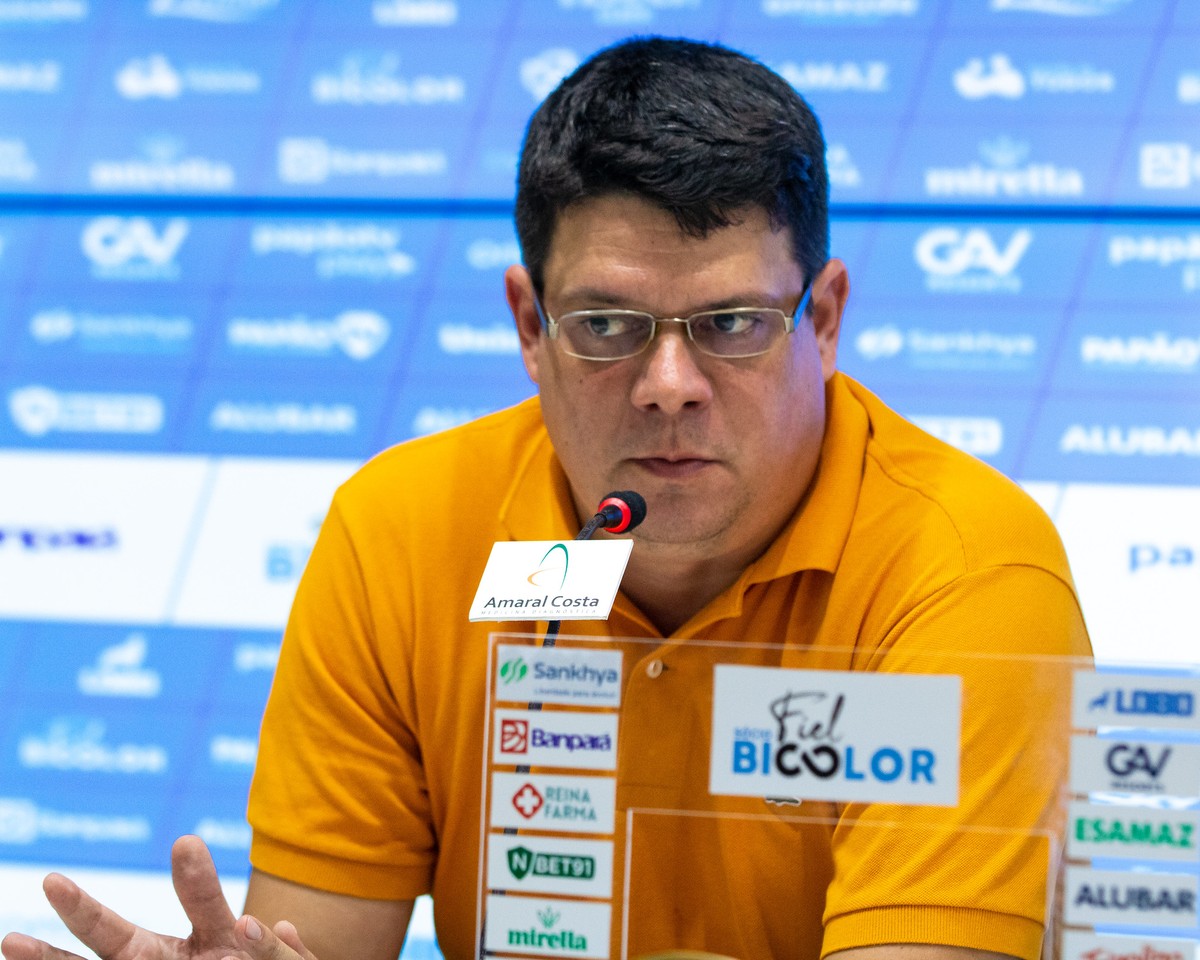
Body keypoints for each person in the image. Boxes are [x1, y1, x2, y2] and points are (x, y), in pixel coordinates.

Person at [1, 36, 1090, 960]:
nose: (671, 386)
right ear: (531, 326)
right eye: (608, 326)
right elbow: (318, 942)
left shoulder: (970, 577)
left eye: (732, 324)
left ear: (826, 318)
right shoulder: (403, 534)